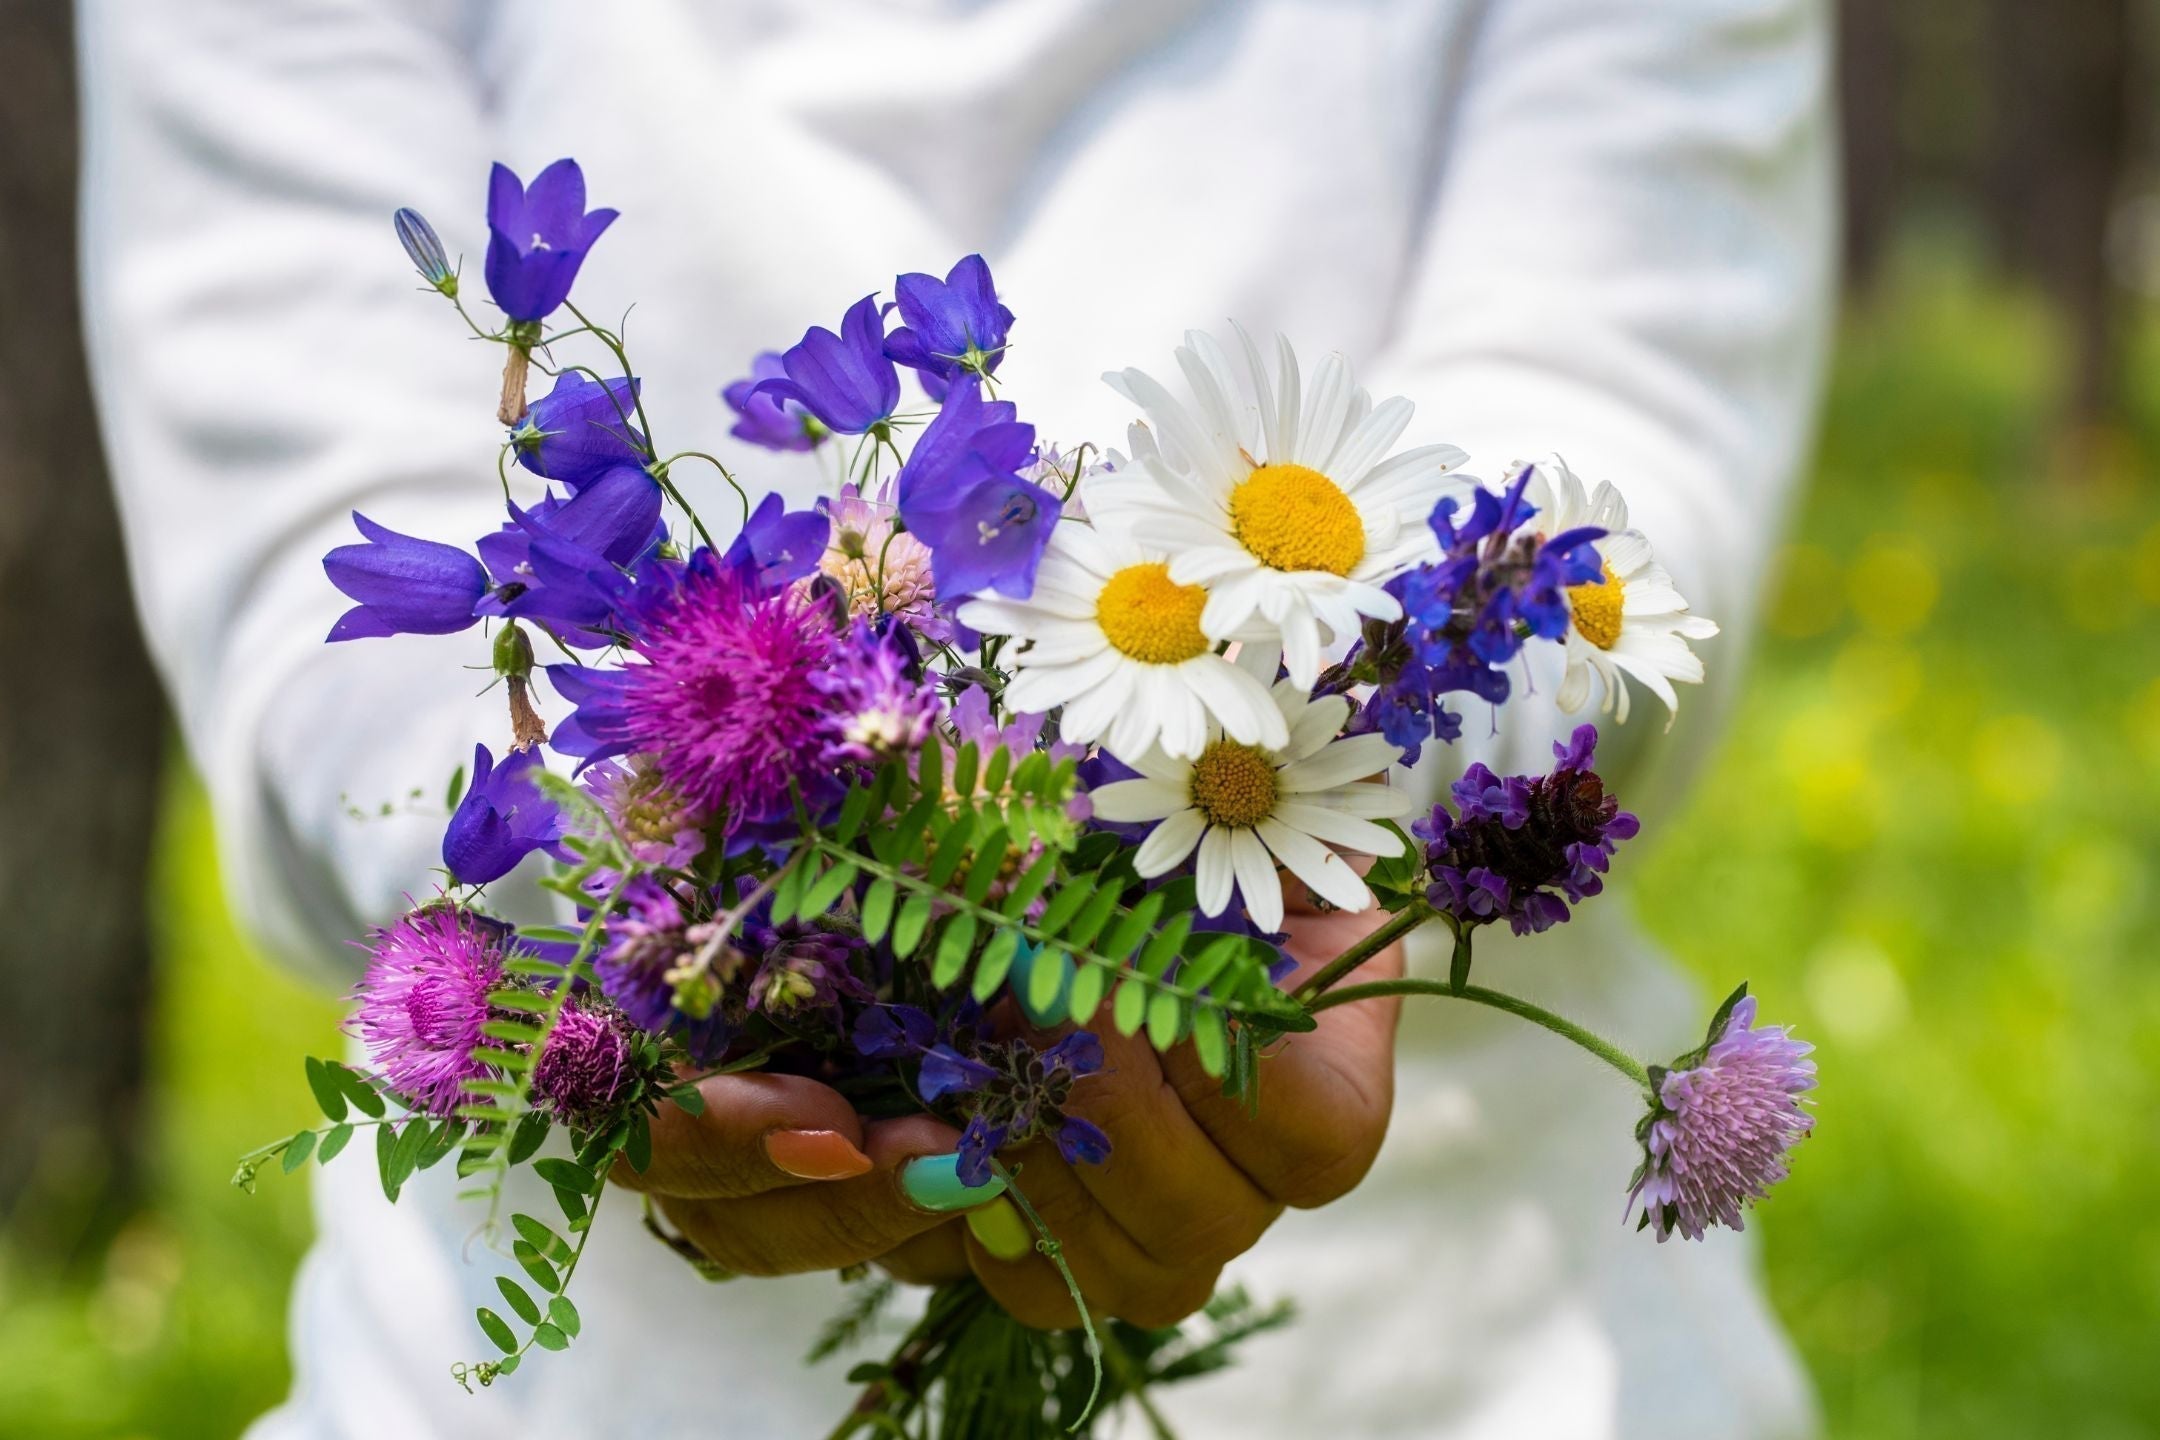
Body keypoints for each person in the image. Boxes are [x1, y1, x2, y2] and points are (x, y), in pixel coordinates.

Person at [78, 0, 1834, 1433]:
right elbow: (314, 596)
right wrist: (675, 911)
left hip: (1476, 1366)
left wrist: (1184, 801)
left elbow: (1613, 449)